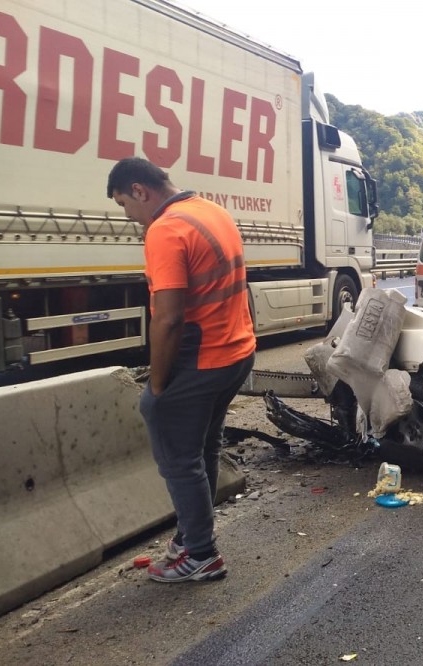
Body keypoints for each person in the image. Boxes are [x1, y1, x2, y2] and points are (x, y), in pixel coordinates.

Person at [106, 157, 256, 583]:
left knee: (177, 459)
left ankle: (202, 555)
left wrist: (156, 385)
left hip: (201, 358)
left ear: (139, 190)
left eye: (123, 204)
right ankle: (191, 538)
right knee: (202, 450)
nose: (128, 216)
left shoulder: (166, 229)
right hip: (235, 352)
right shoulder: (212, 211)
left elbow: (168, 318)